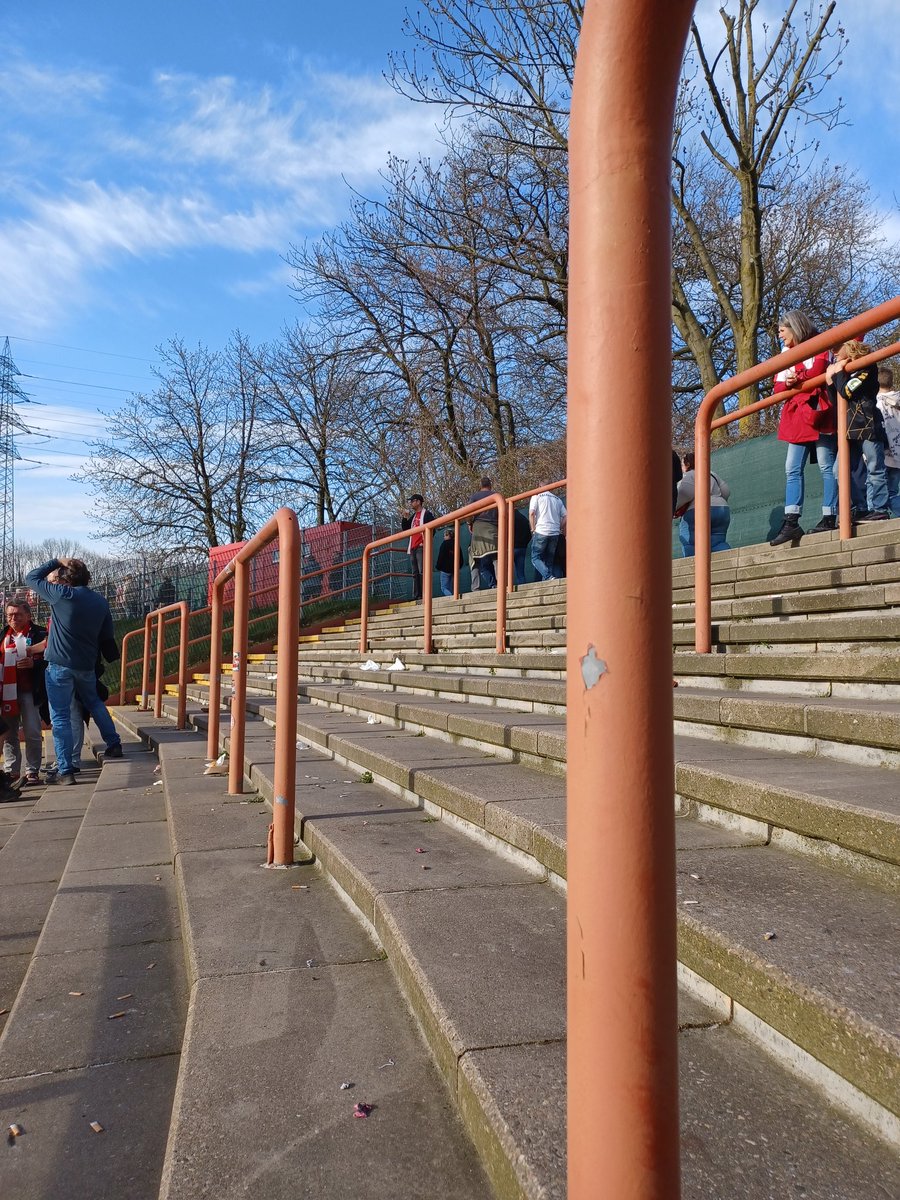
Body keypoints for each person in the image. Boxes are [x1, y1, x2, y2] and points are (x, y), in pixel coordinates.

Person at [24, 557, 123, 784]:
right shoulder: (100, 602)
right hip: (86, 665)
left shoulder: (61, 595)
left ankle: (66, 770)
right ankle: (114, 743)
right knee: (95, 702)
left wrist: (56, 560)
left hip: (59, 665)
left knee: (60, 716)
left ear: (66, 579)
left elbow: (31, 578)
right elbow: (106, 634)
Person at [769, 311, 836, 546]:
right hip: (797, 415)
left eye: (782, 329)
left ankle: (830, 515)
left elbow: (818, 370)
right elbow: (777, 389)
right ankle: (791, 520)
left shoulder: (819, 342)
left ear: (795, 326)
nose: (779, 334)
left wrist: (795, 379)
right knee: (792, 468)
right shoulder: (785, 354)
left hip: (819, 412)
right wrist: (791, 382)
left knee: (827, 464)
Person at [826, 342, 890, 521]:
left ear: (850, 346)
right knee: (839, 470)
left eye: (837, 347)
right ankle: (860, 507)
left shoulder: (866, 365)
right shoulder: (845, 370)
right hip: (849, 428)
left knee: (875, 466)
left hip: (867, 424)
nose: (833, 351)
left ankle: (879, 508)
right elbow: (837, 399)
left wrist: (838, 372)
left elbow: (847, 391)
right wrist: (830, 381)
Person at [1, 599, 49, 785]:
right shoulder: (3, 635)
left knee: (32, 731)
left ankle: (32, 770)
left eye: (18, 614)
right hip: (7, 693)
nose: (13, 618)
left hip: (30, 691)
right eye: (10, 615)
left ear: (28, 615)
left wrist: (34, 663)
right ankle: (11, 770)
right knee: (8, 733)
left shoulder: (39, 634)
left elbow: (51, 659)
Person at [674, 452, 731, 557]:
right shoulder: (712, 474)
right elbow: (726, 491)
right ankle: (727, 561)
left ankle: (694, 570)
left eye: (682, 465)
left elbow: (684, 493)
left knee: (691, 543)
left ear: (687, 464)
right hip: (721, 510)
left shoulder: (689, 475)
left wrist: (673, 508)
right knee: (718, 542)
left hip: (697, 510)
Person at [876, 366, 900, 517]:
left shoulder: (876, 402)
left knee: (879, 490)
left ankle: (878, 515)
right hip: (898, 455)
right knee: (893, 491)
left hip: (883, 454)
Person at [401, 494, 435, 601]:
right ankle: (417, 595)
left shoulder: (427, 514)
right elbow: (406, 529)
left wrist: (424, 542)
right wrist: (405, 517)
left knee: (422, 571)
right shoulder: (414, 516)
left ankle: (425, 594)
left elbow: (433, 528)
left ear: (419, 502)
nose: (411, 503)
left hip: (421, 546)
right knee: (415, 573)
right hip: (413, 547)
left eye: (413, 501)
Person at [468, 476, 499, 589]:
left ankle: (483, 586)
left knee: (477, 559)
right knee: (496, 557)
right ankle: (501, 585)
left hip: (479, 530)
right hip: (494, 529)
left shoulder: (475, 496)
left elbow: (468, 513)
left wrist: (469, 524)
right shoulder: (496, 496)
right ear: (490, 485)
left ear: (480, 486)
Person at [528, 489, 567, 581]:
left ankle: (548, 576)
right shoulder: (558, 499)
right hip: (555, 532)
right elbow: (566, 515)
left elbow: (532, 513)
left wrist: (533, 529)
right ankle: (549, 579)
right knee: (549, 560)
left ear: (539, 486)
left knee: (535, 558)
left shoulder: (536, 496)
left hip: (541, 530)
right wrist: (559, 527)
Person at [435, 528, 462, 597]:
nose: (444, 537)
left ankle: (451, 597)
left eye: (445, 535)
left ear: (448, 535)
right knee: (452, 587)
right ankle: (453, 596)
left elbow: (441, 556)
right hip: (454, 569)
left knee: (444, 588)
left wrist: (438, 566)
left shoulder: (444, 544)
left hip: (445, 569)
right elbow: (460, 557)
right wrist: (459, 566)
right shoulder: (456, 544)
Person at [512, 507, 531, 586]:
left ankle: (505, 588)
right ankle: (523, 587)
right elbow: (529, 535)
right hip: (522, 547)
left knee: (505, 571)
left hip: (511, 547)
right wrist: (524, 544)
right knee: (521, 572)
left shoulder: (508, 519)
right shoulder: (524, 519)